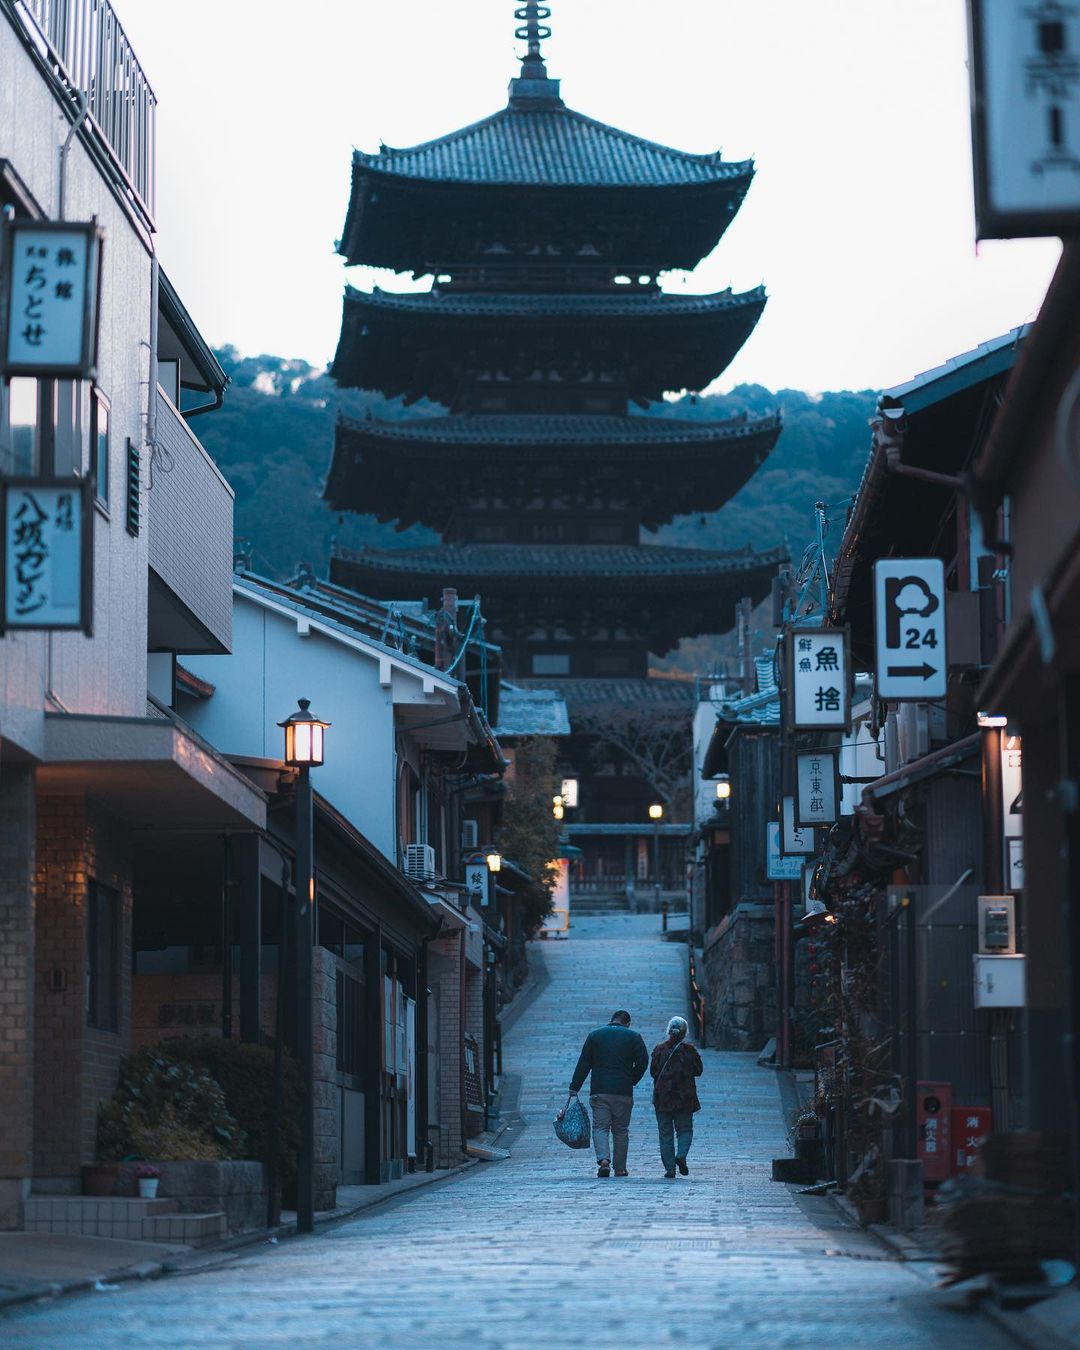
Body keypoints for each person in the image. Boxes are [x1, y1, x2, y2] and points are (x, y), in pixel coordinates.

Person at [568, 1010, 649, 1177]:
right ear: (627, 1023)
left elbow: (584, 1062)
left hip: (600, 1090)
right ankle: (620, 1168)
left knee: (600, 1127)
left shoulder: (595, 1036)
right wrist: (632, 1079)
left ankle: (604, 1160)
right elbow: (643, 1060)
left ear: (611, 1020)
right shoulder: (634, 1037)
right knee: (621, 1130)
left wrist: (574, 1086)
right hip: (623, 1092)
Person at [650, 1015, 704, 1179]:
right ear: (684, 1032)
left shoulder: (659, 1049)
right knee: (685, 1130)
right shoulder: (689, 1050)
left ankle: (670, 1169)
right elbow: (698, 1070)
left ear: (669, 1030)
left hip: (663, 1098)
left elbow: (653, 1072)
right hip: (684, 1097)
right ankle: (681, 1155)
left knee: (665, 1134)